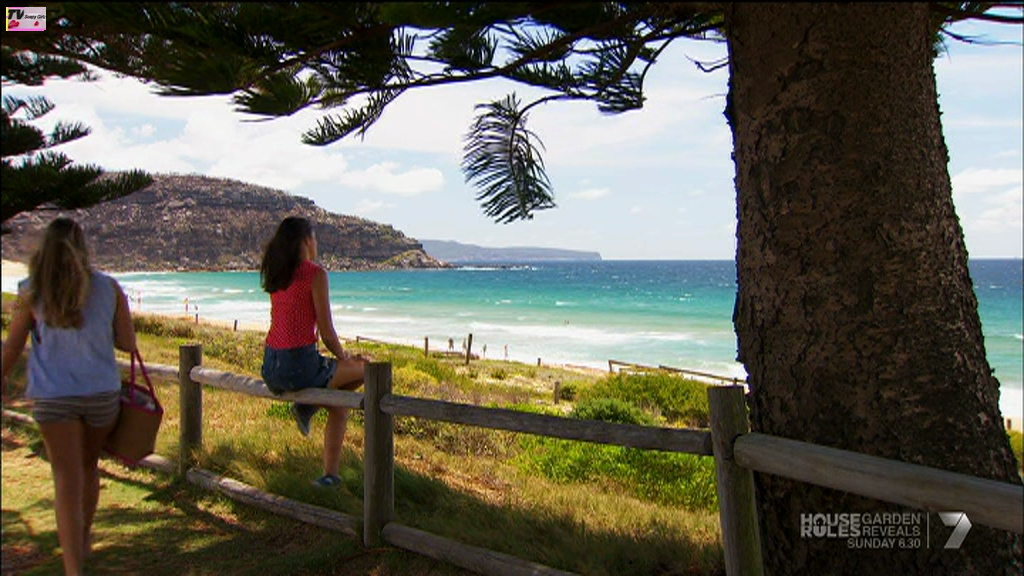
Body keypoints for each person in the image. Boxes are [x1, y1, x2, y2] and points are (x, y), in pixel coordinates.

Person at [1, 218, 137, 576]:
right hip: (101, 394)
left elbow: (12, 347)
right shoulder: (109, 287)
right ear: (83, 248)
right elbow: (128, 343)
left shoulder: (31, 290)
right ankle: (84, 534)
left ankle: (73, 568)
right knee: (88, 467)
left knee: (65, 479)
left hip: (53, 396)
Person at [259, 216, 366, 488]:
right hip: (298, 367)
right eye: (315, 238)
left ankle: (331, 475)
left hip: (270, 368)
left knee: (339, 405)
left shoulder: (278, 273)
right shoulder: (315, 274)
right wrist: (345, 358)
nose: (317, 243)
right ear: (307, 241)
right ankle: (308, 407)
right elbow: (327, 333)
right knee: (366, 368)